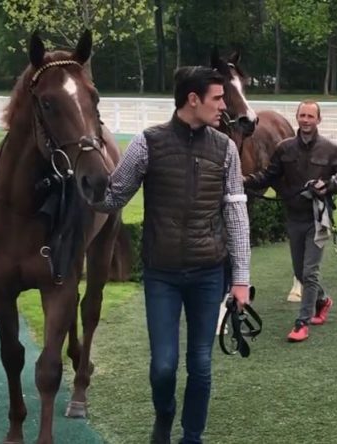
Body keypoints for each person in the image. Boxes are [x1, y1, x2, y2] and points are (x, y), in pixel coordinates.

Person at [92, 66, 251, 444]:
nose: (224, 106)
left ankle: (191, 436)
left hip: (209, 273)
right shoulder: (148, 143)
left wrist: (241, 278)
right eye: (217, 98)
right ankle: (164, 414)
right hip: (161, 274)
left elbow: (236, 213)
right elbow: (113, 196)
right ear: (192, 100)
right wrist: (81, 188)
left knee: (201, 364)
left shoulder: (226, 148)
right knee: (164, 367)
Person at [243, 100, 337, 342]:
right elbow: (268, 176)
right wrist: (243, 181)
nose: (305, 120)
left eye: (310, 116)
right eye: (302, 115)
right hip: (293, 217)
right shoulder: (284, 149)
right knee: (301, 272)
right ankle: (323, 301)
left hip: (317, 217)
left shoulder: (331, 150)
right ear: (297, 118)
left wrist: (328, 185)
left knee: (310, 272)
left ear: (318, 120)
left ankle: (302, 323)